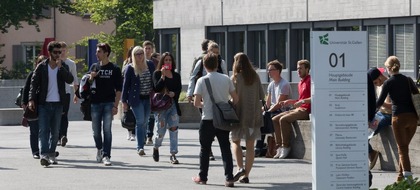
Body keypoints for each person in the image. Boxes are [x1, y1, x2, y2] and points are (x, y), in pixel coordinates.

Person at [191, 52, 238, 187]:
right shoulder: (226, 79)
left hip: (208, 119)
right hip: (223, 119)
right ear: (217, 64)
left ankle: (203, 177)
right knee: (225, 148)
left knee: (205, 149)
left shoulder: (202, 80)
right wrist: (224, 105)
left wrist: (205, 105)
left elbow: (196, 103)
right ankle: (229, 178)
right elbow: (236, 99)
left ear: (204, 65)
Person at [28, 41, 74, 166]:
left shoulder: (63, 66)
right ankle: (44, 155)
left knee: (55, 132)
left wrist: (61, 68)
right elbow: (33, 83)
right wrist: (31, 99)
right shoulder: (42, 66)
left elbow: (70, 79)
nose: (58, 54)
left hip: (58, 104)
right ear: (49, 53)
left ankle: (52, 153)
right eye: (55, 52)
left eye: (60, 52)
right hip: (44, 104)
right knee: (43, 131)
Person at [376, 56, 418, 183]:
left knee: (402, 149)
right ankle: (400, 177)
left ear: (389, 68)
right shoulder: (408, 79)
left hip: (399, 118)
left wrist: (372, 109)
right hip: (413, 119)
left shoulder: (388, 83)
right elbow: (417, 96)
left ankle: (409, 180)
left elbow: (379, 102)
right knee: (403, 148)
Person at [187, 41, 227, 160]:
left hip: (217, 95)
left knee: (216, 121)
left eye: (217, 53)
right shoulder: (201, 61)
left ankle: (210, 144)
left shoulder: (221, 62)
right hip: (204, 93)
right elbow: (193, 77)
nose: (215, 55)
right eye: (212, 52)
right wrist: (190, 93)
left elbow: (225, 76)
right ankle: (207, 149)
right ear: (207, 52)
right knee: (206, 119)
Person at [230, 53, 265, 184]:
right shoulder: (255, 77)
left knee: (235, 141)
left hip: (237, 116)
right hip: (253, 116)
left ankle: (240, 168)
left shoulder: (234, 78)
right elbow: (262, 96)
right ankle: (246, 175)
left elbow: (231, 97)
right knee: (250, 146)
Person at [89, 43, 122, 166]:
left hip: (108, 102)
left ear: (106, 53)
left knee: (107, 130)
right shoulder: (94, 67)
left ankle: (106, 155)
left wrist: (115, 105)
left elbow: (119, 89)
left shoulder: (114, 68)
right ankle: (99, 148)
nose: (96, 54)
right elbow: (88, 84)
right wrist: (91, 77)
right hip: (95, 103)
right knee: (96, 131)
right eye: (97, 51)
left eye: (99, 52)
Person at [272, 59, 311, 159]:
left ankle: (286, 146)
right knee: (274, 119)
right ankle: (279, 146)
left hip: (306, 110)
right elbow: (300, 99)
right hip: (298, 109)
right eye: (297, 69)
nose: (298, 71)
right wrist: (290, 101)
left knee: (283, 119)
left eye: (301, 69)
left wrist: (301, 102)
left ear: (307, 69)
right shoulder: (300, 83)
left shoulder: (310, 81)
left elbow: (313, 97)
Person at [122, 46, 154, 156]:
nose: (140, 56)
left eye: (141, 53)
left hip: (148, 98)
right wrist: (124, 102)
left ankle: (142, 138)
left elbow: (154, 80)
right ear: (133, 56)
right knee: (140, 121)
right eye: (137, 54)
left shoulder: (149, 64)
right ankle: (140, 147)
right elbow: (125, 86)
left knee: (145, 121)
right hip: (136, 99)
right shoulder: (130, 68)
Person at [255, 60, 291, 157]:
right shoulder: (271, 84)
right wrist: (261, 110)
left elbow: (279, 104)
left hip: (281, 110)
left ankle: (260, 148)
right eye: (268, 70)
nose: (268, 72)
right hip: (272, 110)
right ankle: (258, 147)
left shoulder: (284, 84)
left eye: (271, 70)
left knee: (266, 116)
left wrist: (268, 111)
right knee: (260, 117)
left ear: (278, 70)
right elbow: (268, 102)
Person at [151, 52, 182, 164]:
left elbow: (179, 89)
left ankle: (173, 154)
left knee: (174, 128)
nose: (168, 62)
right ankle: (156, 146)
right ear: (162, 62)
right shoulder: (157, 74)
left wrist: (175, 94)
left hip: (172, 104)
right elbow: (156, 88)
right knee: (160, 131)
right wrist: (163, 76)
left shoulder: (176, 75)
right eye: (166, 60)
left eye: (169, 60)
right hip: (161, 106)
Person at [22, 55, 46, 159]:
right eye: (40, 63)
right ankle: (35, 151)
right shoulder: (32, 74)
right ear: (37, 64)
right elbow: (26, 89)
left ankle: (46, 150)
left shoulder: (48, 75)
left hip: (44, 105)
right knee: (34, 130)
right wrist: (24, 102)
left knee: (45, 129)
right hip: (33, 106)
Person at [367, 67, 391, 170]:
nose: (377, 85)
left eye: (376, 82)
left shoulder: (390, 84)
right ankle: (371, 153)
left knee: (366, 134)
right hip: (379, 114)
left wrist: (379, 102)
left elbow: (393, 106)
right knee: (362, 133)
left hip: (387, 115)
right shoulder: (379, 86)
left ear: (380, 77)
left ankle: (372, 153)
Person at [57, 41, 79, 147]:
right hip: (55, 93)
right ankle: (56, 136)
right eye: (60, 50)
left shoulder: (71, 63)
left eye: (64, 50)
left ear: (67, 51)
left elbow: (75, 79)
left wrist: (76, 93)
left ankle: (63, 136)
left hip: (66, 93)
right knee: (56, 115)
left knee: (64, 115)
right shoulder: (55, 62)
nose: (62, 52)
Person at [143, 40, 157, 145]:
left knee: (151, 115)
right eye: (146, 48)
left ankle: (149, 136)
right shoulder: (138, 61)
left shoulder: (156, 62)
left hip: (152, 92)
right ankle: (141, 135)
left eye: (149, 48)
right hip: (141, 92)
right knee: (142, 116)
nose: (147, 50)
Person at [122, 46, 136, 141]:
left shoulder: (139, 63)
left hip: (134, 91)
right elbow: (122, 73)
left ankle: (134, 133)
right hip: (127, 90)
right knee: (127, 112)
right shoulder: (126, 62)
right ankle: (129, 132)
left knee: (135, 113)